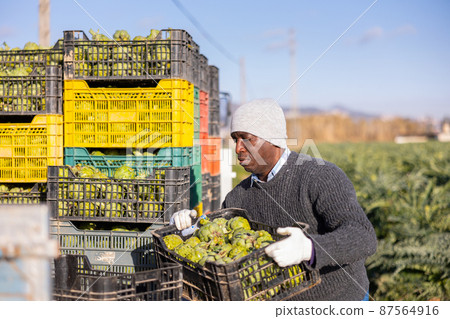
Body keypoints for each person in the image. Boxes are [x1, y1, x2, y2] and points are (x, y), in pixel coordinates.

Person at [172, 98, 377, 301]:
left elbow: (362, 236)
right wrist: (189, 229)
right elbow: (219, 239)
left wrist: (310, 248)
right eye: (235, 139)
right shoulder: (238, 197)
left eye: (247, 138)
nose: (238, 149)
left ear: (273, 139)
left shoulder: (319, 176)